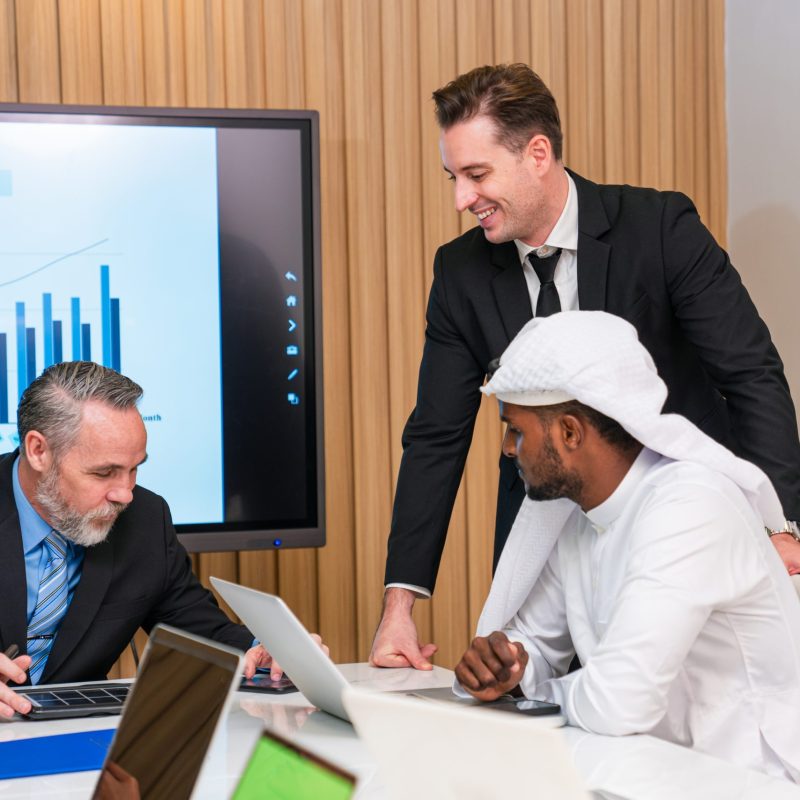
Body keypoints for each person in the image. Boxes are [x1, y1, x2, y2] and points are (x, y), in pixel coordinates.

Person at [371, 63, 800, 670]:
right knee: (528, 701)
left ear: (538, 154)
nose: (462, 198)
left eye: (476, 174)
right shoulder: (460, 272)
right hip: (541, 527)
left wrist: (780, 527)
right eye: (453, 177)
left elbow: (750, 374)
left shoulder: (659, 229)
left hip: (675, 522)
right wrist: (400, 607)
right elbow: (436, 436)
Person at [454, 311, 800, 780]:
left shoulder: (689, 506)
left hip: (749, 781)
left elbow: (619, 703)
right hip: (651, 772)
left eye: (516, 430)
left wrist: (542, 697)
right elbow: (536, 641)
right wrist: (509, 667)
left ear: (570, 433)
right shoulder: (581, 517)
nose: (508, 450)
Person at [0, 362, 313, 718]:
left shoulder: (145, 520)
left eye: (134, 469)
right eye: (104, 473)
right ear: (38, 451)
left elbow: (201, 631)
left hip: (78, 739)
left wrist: (265, 650)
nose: (125, 494)